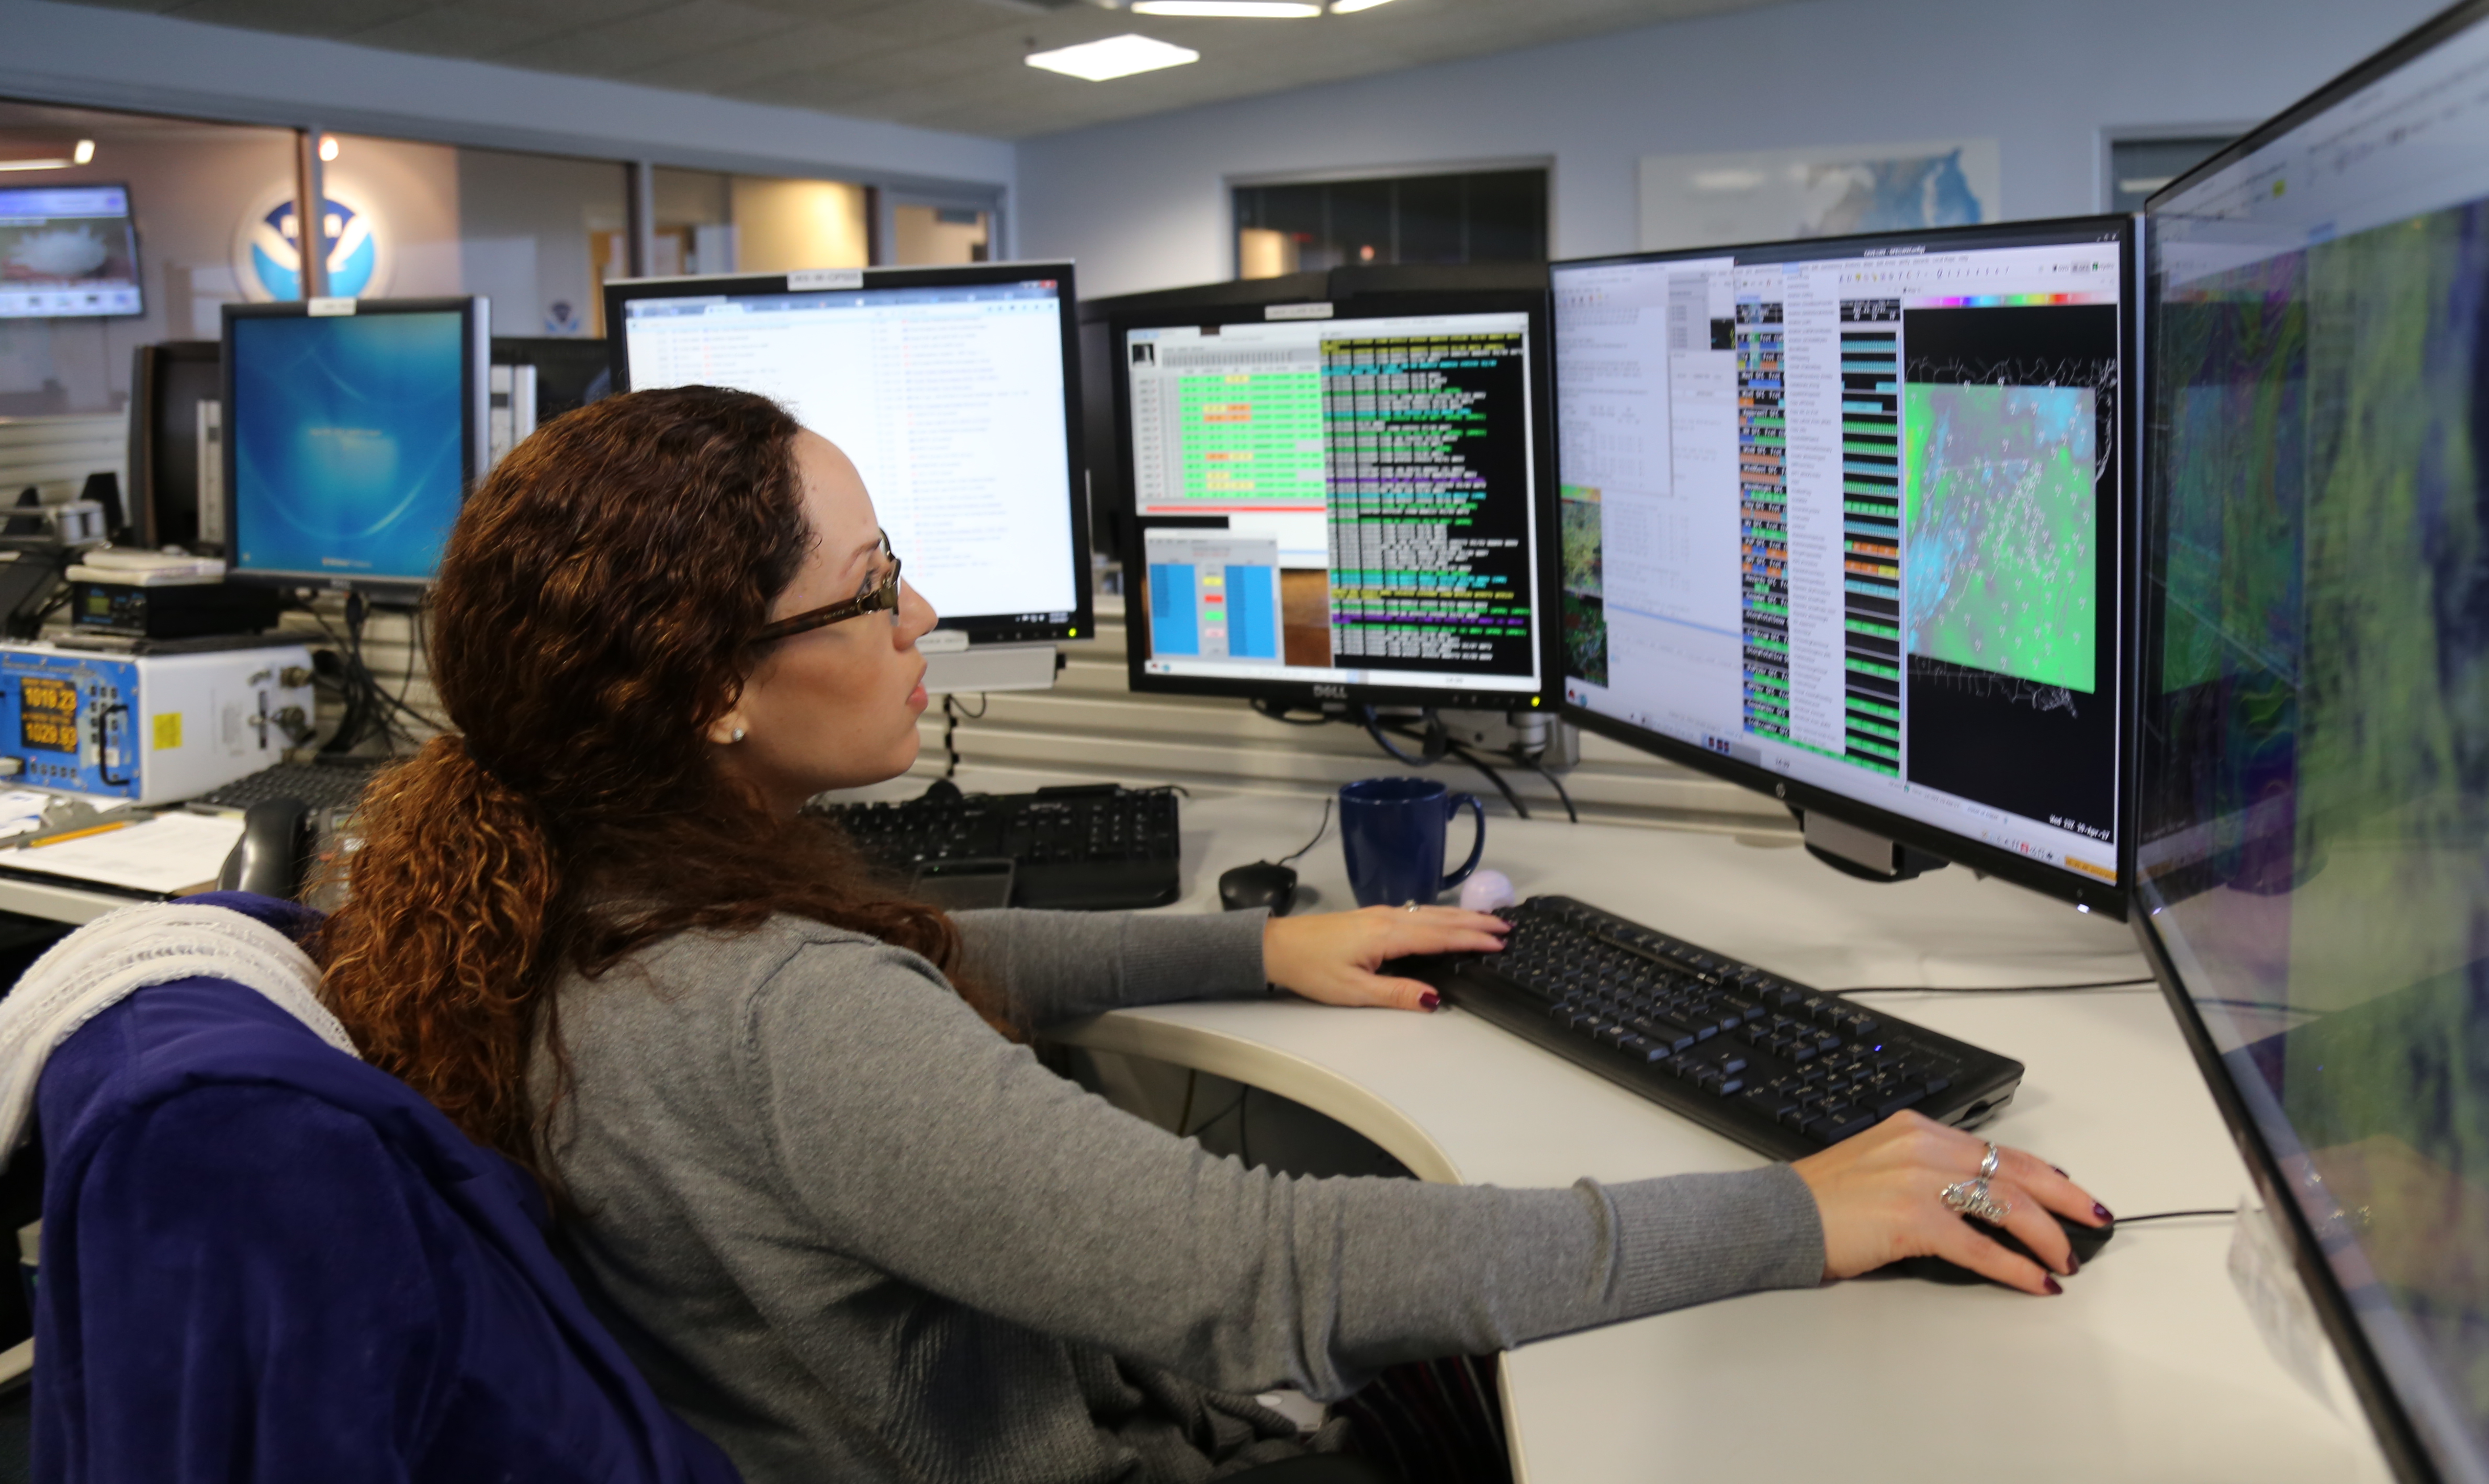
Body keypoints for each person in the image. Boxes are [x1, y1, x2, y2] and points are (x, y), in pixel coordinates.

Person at [312, 386, 2111, 1484]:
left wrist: (1260, 952)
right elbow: (1268, 1278)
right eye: (872, 589)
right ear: (713, 686)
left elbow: (935, 967)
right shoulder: (772, 1012)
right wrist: (1803, 1207)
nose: (922, 611)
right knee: (1642, 1405)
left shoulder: (583, 887)